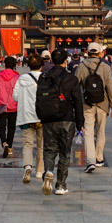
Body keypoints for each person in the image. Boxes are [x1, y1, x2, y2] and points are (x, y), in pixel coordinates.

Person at [40, 48, 85, 195]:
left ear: (52, 60)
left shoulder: (44, 77)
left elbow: (38, 99)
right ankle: (60, 185)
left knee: (49, 149)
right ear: (66, 61)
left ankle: (48, 171)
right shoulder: (71, 78)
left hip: (48, 119)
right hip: (67, 119)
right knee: (65, 152)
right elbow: (78, 102)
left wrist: (41, 116)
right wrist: (80, 123)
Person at [74, 42, 112, 173]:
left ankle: (90, 160)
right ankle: (99, 158)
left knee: (88, 132)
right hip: (103, 103)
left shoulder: (81, 66)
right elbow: (110, 87)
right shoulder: (105, 67)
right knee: (100, 132)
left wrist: (75, 104)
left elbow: (75, 85)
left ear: (87, 53)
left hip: (86, 104)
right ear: (99, 53)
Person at [13, 54, 45, 184]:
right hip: (41, 117)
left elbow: (15, 96)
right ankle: (39, 171)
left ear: (28, 66)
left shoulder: (21, 79)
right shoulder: (45, 79)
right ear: (41, 66)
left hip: (26, 116)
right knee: (41, 145)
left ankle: (27, 166)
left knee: (27, 144)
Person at [0, 56, 21, 158]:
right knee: (11, 127)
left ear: (4, 64)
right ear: (14, 65)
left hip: (0, 105)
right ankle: (10, 147)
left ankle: (4, 143)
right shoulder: (17, 77)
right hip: (14, 105)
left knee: (1, 127)